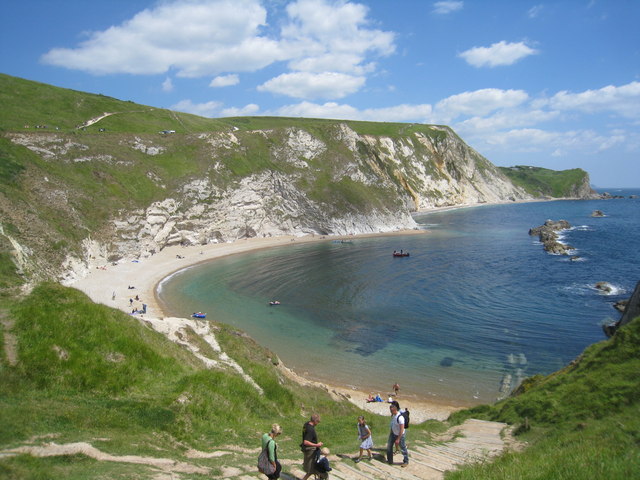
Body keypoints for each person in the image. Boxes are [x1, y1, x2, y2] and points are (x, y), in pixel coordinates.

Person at [387, 401, 408, 467]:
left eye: (391, 410)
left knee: (403, 448)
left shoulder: (400, 418)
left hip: (400, 436)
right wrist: (391, 432)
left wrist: (398, 439)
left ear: (395, 410)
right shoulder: (393, 415)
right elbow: (392, 425)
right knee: (389, 446)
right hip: (393, 434)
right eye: (390, 410)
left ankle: (406, 461)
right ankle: (390, 460)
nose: (390, 412)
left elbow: (402, 429)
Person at [301, 414, 323, 480]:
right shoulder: (310, 429)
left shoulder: (306, 424)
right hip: (310, 450)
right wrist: (317, 445)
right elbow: (306, 442)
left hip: (307, 449)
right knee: (311, 469)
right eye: (318, 422)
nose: (318, 423)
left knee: (312, 468)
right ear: (315, 421)